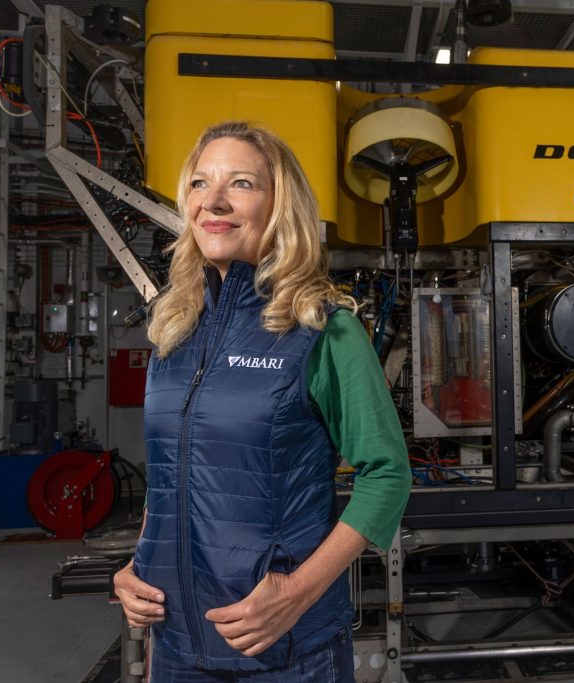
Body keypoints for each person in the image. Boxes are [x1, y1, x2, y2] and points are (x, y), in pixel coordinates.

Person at [113, 121, 411, 681]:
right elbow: (173, 473)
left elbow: (386, 474)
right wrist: (136, 563)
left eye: (241, 183)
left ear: (280, 206)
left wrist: (298, 593)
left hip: (281, 649)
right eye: (200, 184)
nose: (214, 201)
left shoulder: (324, 330)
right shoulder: (172, 332)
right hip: (175, 643)